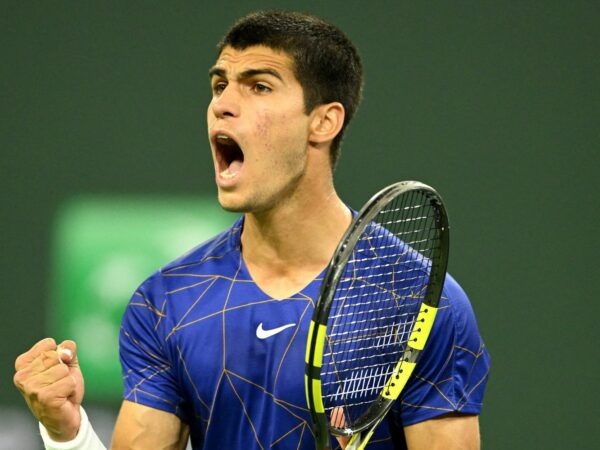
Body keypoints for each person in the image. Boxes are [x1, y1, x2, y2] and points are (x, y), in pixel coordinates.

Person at [13, 10, 490, 450]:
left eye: (258, 86)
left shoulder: (420, 300)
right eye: (219, 85)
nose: (223, 104)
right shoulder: (167, 303)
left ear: (323, 121)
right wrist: (66, 434)